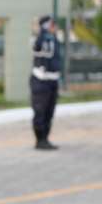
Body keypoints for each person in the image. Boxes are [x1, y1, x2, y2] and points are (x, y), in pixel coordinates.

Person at [30, 15, 62, 150]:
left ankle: (46, 138)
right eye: (52, 25)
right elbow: (37, 48)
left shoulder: (53, 38)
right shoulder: (40, 38)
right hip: (41, 81)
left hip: (52, 80)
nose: (55, 27)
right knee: (40, 111)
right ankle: (40, 139)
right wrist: (42, 31)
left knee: (49, 111)